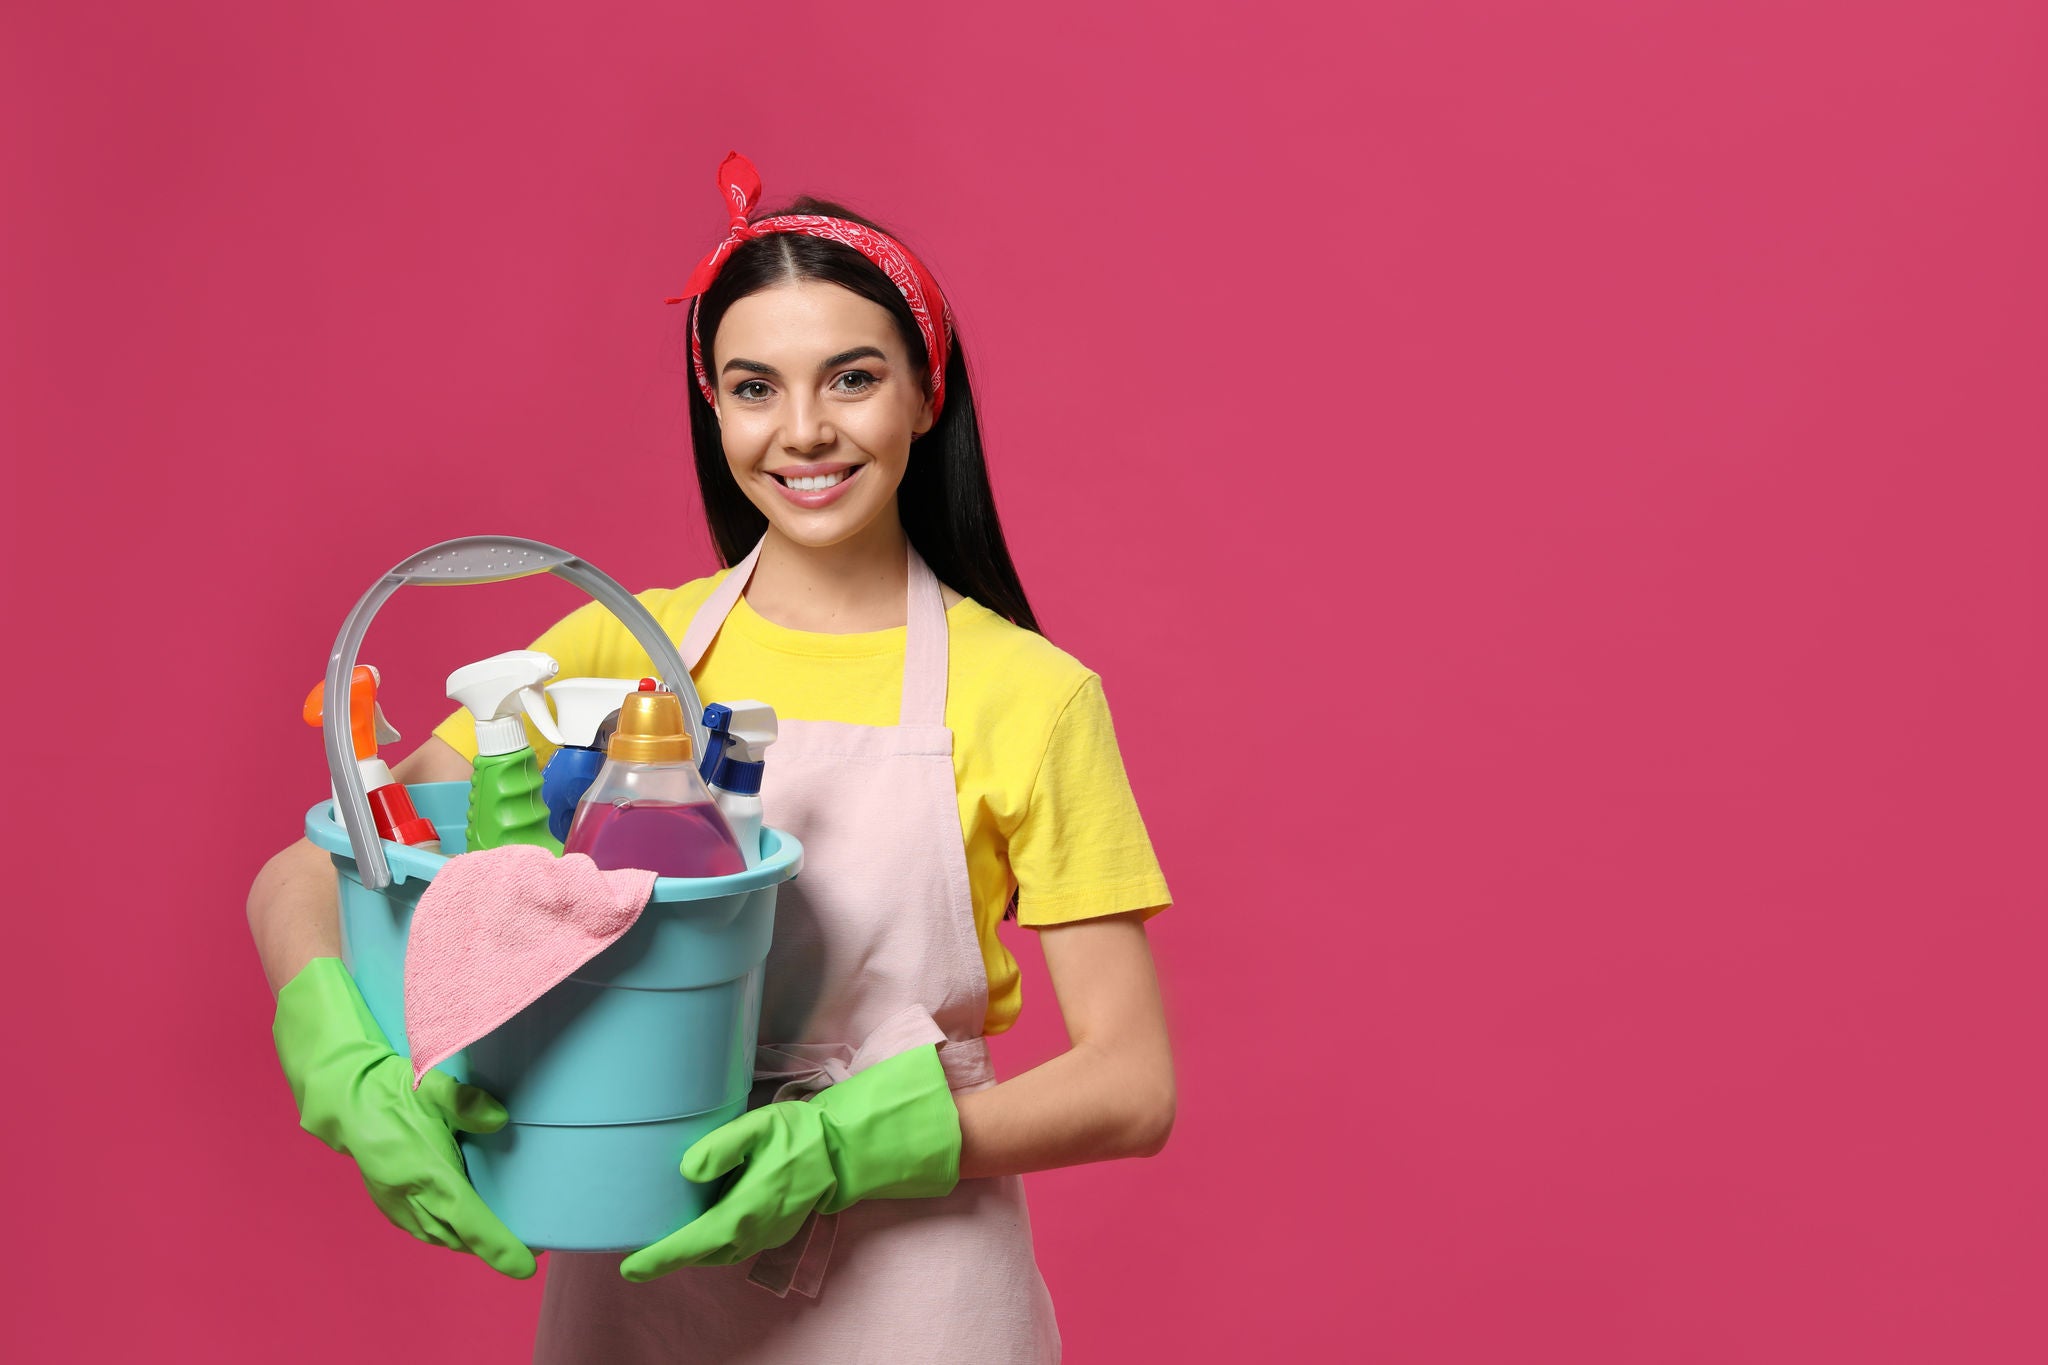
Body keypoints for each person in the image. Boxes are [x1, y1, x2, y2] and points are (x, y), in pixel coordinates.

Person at [246, 150, 1175, 1363]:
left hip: (915, 1290)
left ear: (923, 393)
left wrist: (850, 1143)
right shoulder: (611, 650)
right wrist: (342, 1055)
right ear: (716, 408)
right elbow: (314, 866)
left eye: (851, 379)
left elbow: (1131, 1081)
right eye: (752, 387)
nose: (803, 432)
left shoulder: (1029, 696)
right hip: (637, 1272)